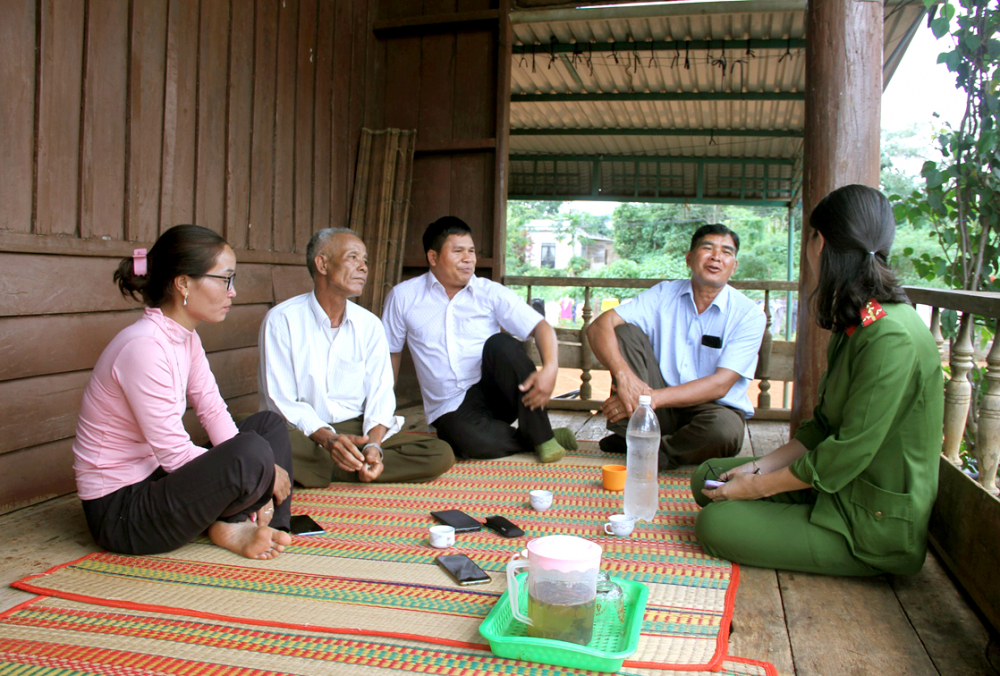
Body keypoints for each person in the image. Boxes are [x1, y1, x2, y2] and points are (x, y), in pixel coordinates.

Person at [692, 184, 944, 576]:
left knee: (715, 524)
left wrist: (758, 488)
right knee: (706, 479)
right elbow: (824, 427)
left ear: (820, 243)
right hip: (834, 485)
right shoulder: (862, 320)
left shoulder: (890, 335)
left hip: (870, 522)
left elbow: (848, 450)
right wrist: (759, 468)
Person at [73, 225, 293, 560]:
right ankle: (235, 519)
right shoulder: (144, 347)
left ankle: (262, 522)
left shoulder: (185, 338)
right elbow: (175, 455)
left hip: (157, 479)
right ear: (184, 283)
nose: (232, 291)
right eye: (225, 279)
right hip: (121, 513)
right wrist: (260, 473)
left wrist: (258, 472)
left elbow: (213, 411)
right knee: (252, 452)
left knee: (266, 428)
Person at [259, 228, 455, 487]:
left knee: (440, 453)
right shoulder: (282, 320)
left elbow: (381, 394)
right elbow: (281, 400)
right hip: (305, 433)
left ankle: (327, 468)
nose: (363, 267)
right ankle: (346, 465)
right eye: (353, 257)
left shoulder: (369, 325)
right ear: (322, 263)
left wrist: (374, 445)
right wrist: (328, 440)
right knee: (253, 433)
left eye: (365, 261)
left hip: (355, 429)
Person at [382, 216, 577, 462]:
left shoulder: (489, 292)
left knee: (501, 344)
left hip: (497, 392)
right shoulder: (403, 297)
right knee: (465, 441)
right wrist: (383, 411)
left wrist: (551, 368)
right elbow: (391, 352)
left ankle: (543, 437)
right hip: (451, 404)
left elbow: (541, 327)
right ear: (433, 257)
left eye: (471, 251)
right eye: (458, 251)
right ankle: (537, 436)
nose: (468, 258)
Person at [587, 224, 766, 469]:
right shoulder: (664, 294)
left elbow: (721, 384)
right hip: (660, 409)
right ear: (689, 259)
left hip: (711, 411)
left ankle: (653, 450)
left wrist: (647, 398)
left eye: (726, 252)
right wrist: (624, 377)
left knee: (724, 432)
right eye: (707, 248)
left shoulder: (749, 314)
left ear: (733, 266)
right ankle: (646, 439)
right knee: (623, 331)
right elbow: (598, 327)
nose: (716, 257)